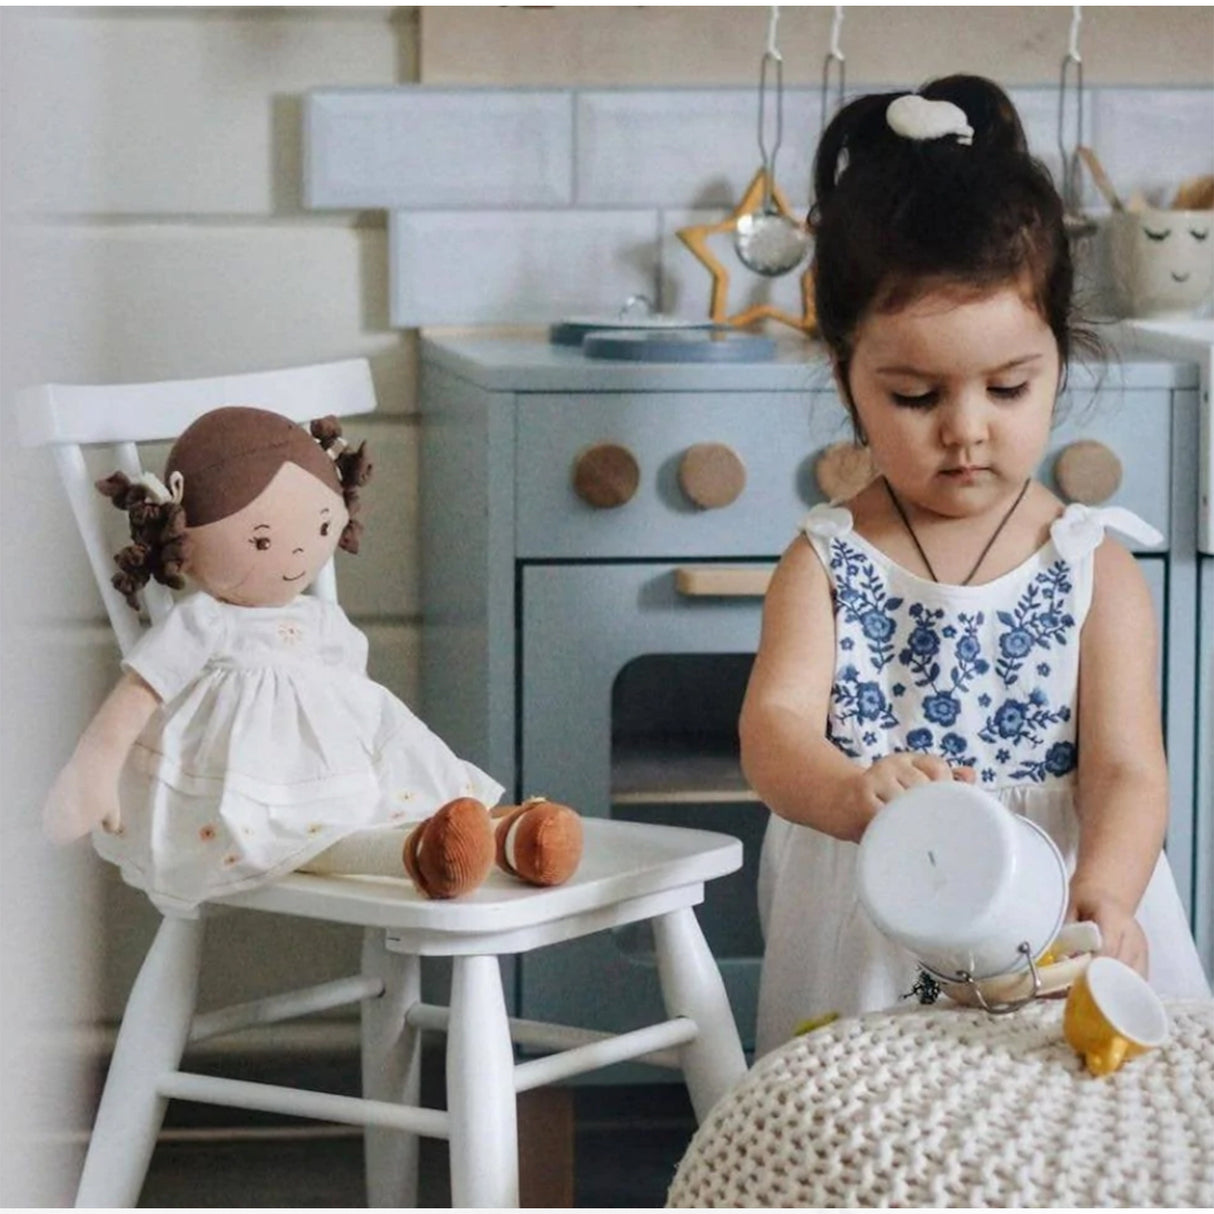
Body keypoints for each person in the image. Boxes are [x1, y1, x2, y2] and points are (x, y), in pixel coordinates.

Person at [740, 75, 1210, 1057]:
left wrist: (1106, 892)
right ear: (846, 376)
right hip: (882, 909)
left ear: (1057, 362)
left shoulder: (1093, 565)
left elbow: (1127, 766)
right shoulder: (826, 560)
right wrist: (846, 792)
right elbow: (772, 731)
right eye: (914, 394)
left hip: (1057, 909)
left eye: (1006, 386)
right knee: (875, 1142)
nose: (964, 430)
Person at [42, 406, 580, 911]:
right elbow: (141, 691)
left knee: (401, 782)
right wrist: (93, 770)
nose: (298, 553)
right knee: (291, 830)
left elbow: (351, 682)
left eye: (321, 527)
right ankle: (414, 854)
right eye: (260, 541)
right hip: (248, 767)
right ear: (180, 534)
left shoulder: (320, 620)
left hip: (338, 747)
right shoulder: (203, 621)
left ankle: (510, 834)